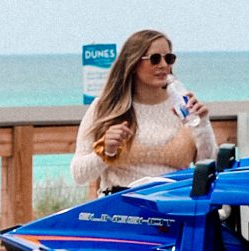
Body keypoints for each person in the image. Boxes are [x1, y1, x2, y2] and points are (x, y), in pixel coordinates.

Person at [71, 30, 217, 192]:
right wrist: (105, 151)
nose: (163, 65)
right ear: (133, 63)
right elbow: (79, 175)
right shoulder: (105, 107)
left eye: (169, 58)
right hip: (122, 201)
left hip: (174, 200)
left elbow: (211, 167)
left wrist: (202, 126)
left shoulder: (183, 106)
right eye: (155, 59)